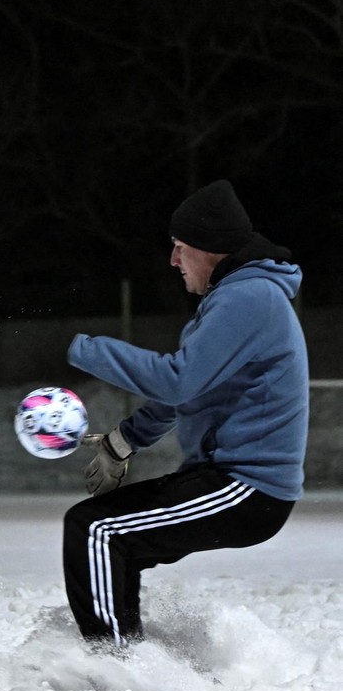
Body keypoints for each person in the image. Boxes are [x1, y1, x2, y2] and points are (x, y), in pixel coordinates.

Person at [64, 179, 309, 650]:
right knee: (104, 530)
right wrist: (125, 439)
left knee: (97, 530)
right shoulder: (236, 298)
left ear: (209, 248)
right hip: (230, 482)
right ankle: (120, 651)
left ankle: (115, 662)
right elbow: (190, 393)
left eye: (179, 248)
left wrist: (83, 349)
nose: (173, 260)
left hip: (246, 487)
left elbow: (178, 380)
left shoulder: (248, 297)